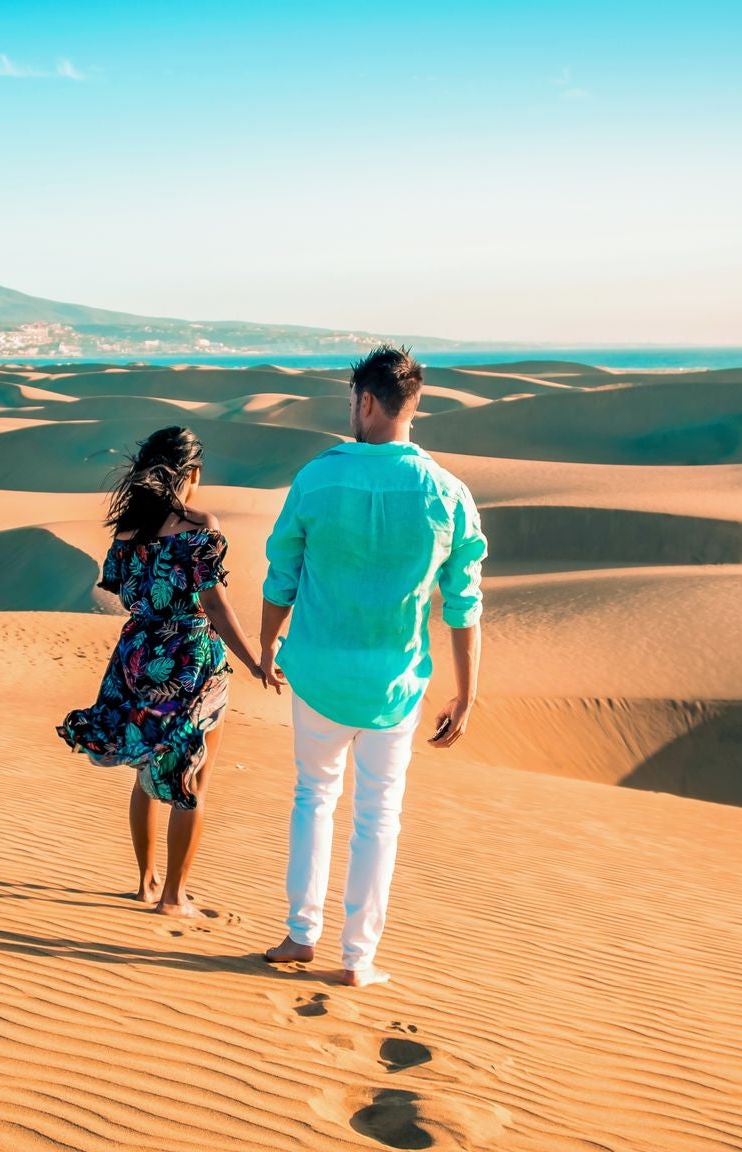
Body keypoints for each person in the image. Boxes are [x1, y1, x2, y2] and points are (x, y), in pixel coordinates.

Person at [258, 345, 487, 986]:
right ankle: (358, 959)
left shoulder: (316, 479)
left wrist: (268, 643)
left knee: (313, 796)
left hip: (319, 673)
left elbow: (282, 573)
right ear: (412, 405)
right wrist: (466, 694)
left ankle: (300, 935)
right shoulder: (448, 493)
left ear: (365, 401)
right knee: (378, 816)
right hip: (395, 683)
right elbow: (464, 603)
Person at [57, 426, 272, 917]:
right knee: (191, 778)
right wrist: (255, 660)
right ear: (190, 473)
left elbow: (126, 591)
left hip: (136, 658)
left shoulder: (126, 531)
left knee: (146, 772)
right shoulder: (198, 525)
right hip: (190, 662)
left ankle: (146, 883)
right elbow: (214, 605)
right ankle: (174, 898)